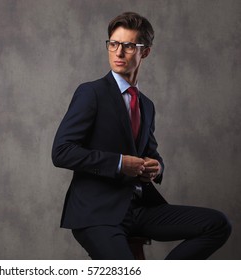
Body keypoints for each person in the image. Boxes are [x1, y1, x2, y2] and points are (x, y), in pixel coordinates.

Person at [51, 12, 231, 260]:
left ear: (144, 52)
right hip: (98, 215)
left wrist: (157, 167)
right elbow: (61, 151)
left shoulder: (146, 105)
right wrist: (120, 163)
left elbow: (150, 152)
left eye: (128, 46)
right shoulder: (91, 93)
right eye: (113, 44)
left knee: (217, 224)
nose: (118, 52)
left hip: (139, 208)